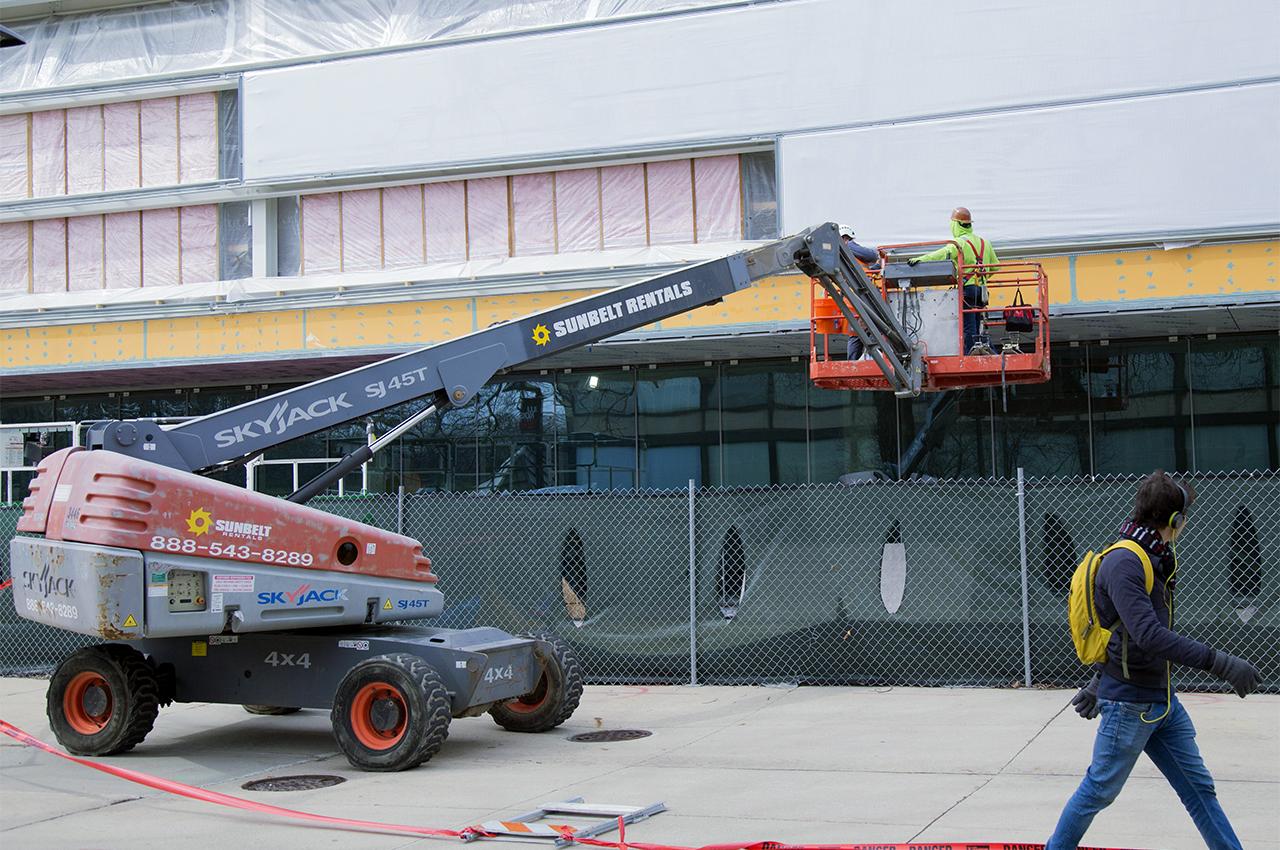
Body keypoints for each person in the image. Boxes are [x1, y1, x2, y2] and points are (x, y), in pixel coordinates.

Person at [1046, 471, 1262, 850]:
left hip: (1161, 702)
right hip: (1130, 705)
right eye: (1185, 517)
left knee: (1199, 790)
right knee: (1098, 790)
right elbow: (1149, 635)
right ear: (1175, 520)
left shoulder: (1153, 556)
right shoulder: (1126, 562)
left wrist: (1097, 681)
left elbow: (1125, 632)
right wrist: (1223, 664)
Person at [907, 207, 998, 354]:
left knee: (969, 326)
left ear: (955, 224)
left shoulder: (958, 243)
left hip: (967, 289)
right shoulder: (985, 243)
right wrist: (982, 278)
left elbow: (941, 254)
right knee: (978, 324)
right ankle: (987, 352)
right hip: (982, 291)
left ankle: (971, 355)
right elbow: (995, 267)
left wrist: (920, 259)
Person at [838, 225, 879, 360]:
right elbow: (872, 255)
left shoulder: (839, 255)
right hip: (862, 296)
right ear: (846, 237)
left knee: (855, 334)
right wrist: (878, 258)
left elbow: (861, 269)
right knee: (874, 327)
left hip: (851, 299)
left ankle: (853, 363)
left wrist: (876, 267)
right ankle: (875, 358)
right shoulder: (848, 246)